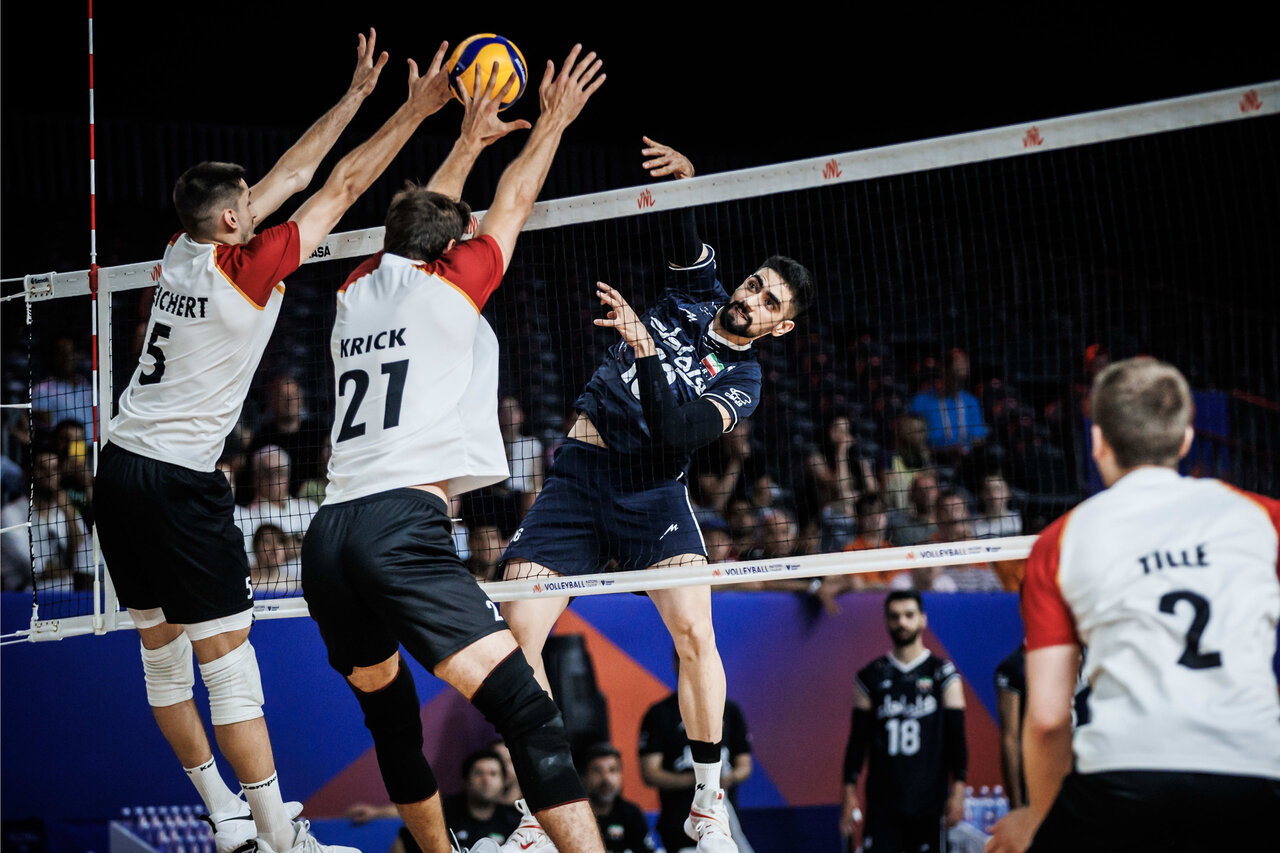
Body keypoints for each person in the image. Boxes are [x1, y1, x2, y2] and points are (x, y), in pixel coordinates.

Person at [91, 30, 455, 853]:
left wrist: (354, 96)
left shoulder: (183, 249)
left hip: (119, 468)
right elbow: (343, 184)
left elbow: (294, 173)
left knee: (161, 658)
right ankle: (275, 837)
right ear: (232, 221)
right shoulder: (246, 269)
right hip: (177, 484)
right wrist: (412, 111)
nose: (259, 203)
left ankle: (225, 817)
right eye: (246, 204)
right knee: (229, 667)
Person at [299, 46, 608, 853]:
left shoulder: (353, 288)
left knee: (393, 721)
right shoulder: (451, 285)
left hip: (328, 535)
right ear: (447, 250)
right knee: (528, 712)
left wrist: (468, 137)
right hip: (400, 527)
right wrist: (554, 121)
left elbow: (422, 220)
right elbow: (513, 200)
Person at [501, 136, 812, 853]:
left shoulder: (743, 382)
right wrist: (685, 184)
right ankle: (541, 807)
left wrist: (644, 349)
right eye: (754, 283)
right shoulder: (698, 293)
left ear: (781, 326)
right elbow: (682, 232)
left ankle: (707, 805)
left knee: (695, 632)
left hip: (652, 495)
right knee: (518, 636)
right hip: (580, 477)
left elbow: (675, 432)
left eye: (769, 301)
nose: (750, 297)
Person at [988, 357, 1280, 853]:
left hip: (1125, 773)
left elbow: (1049, 719)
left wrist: (1038, 821)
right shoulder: (1261, 518)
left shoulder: (1063, 541)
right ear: (1185, 439)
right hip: (1252, 769)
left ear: (1097, 441)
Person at [841, 590, 967, 853]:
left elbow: (957, 738)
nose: (902, 622)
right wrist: (849, 792)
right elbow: (857, 741)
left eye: (909, 615)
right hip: (883, 804)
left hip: (930, 803)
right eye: (895, 616)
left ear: (923, 619)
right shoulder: (870, 676)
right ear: (886, 621)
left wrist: (958, 790)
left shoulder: (943, 674)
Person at [639, 652, 754, 853]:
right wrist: (700, 781)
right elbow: (650, 772)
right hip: (679, 822)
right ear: (675, 663)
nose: (694, 665)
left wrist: (727, 778)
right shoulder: (660, 714)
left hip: (724, 813)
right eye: (686, 658)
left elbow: (744, 765)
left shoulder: (730, 710)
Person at [390, 750, 521, 853]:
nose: (486, 780)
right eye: (479, 773)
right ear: (466, 781)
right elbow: (403, 842)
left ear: (504, 781)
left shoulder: (515, 822)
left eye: (493, 774)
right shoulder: (441, 814)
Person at [578, 742, 657, 853]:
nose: (606, 778)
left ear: (621, 776)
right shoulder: (574, 817)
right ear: (584, 777)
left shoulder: (632, 814)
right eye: (597, 771)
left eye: (612, 770)